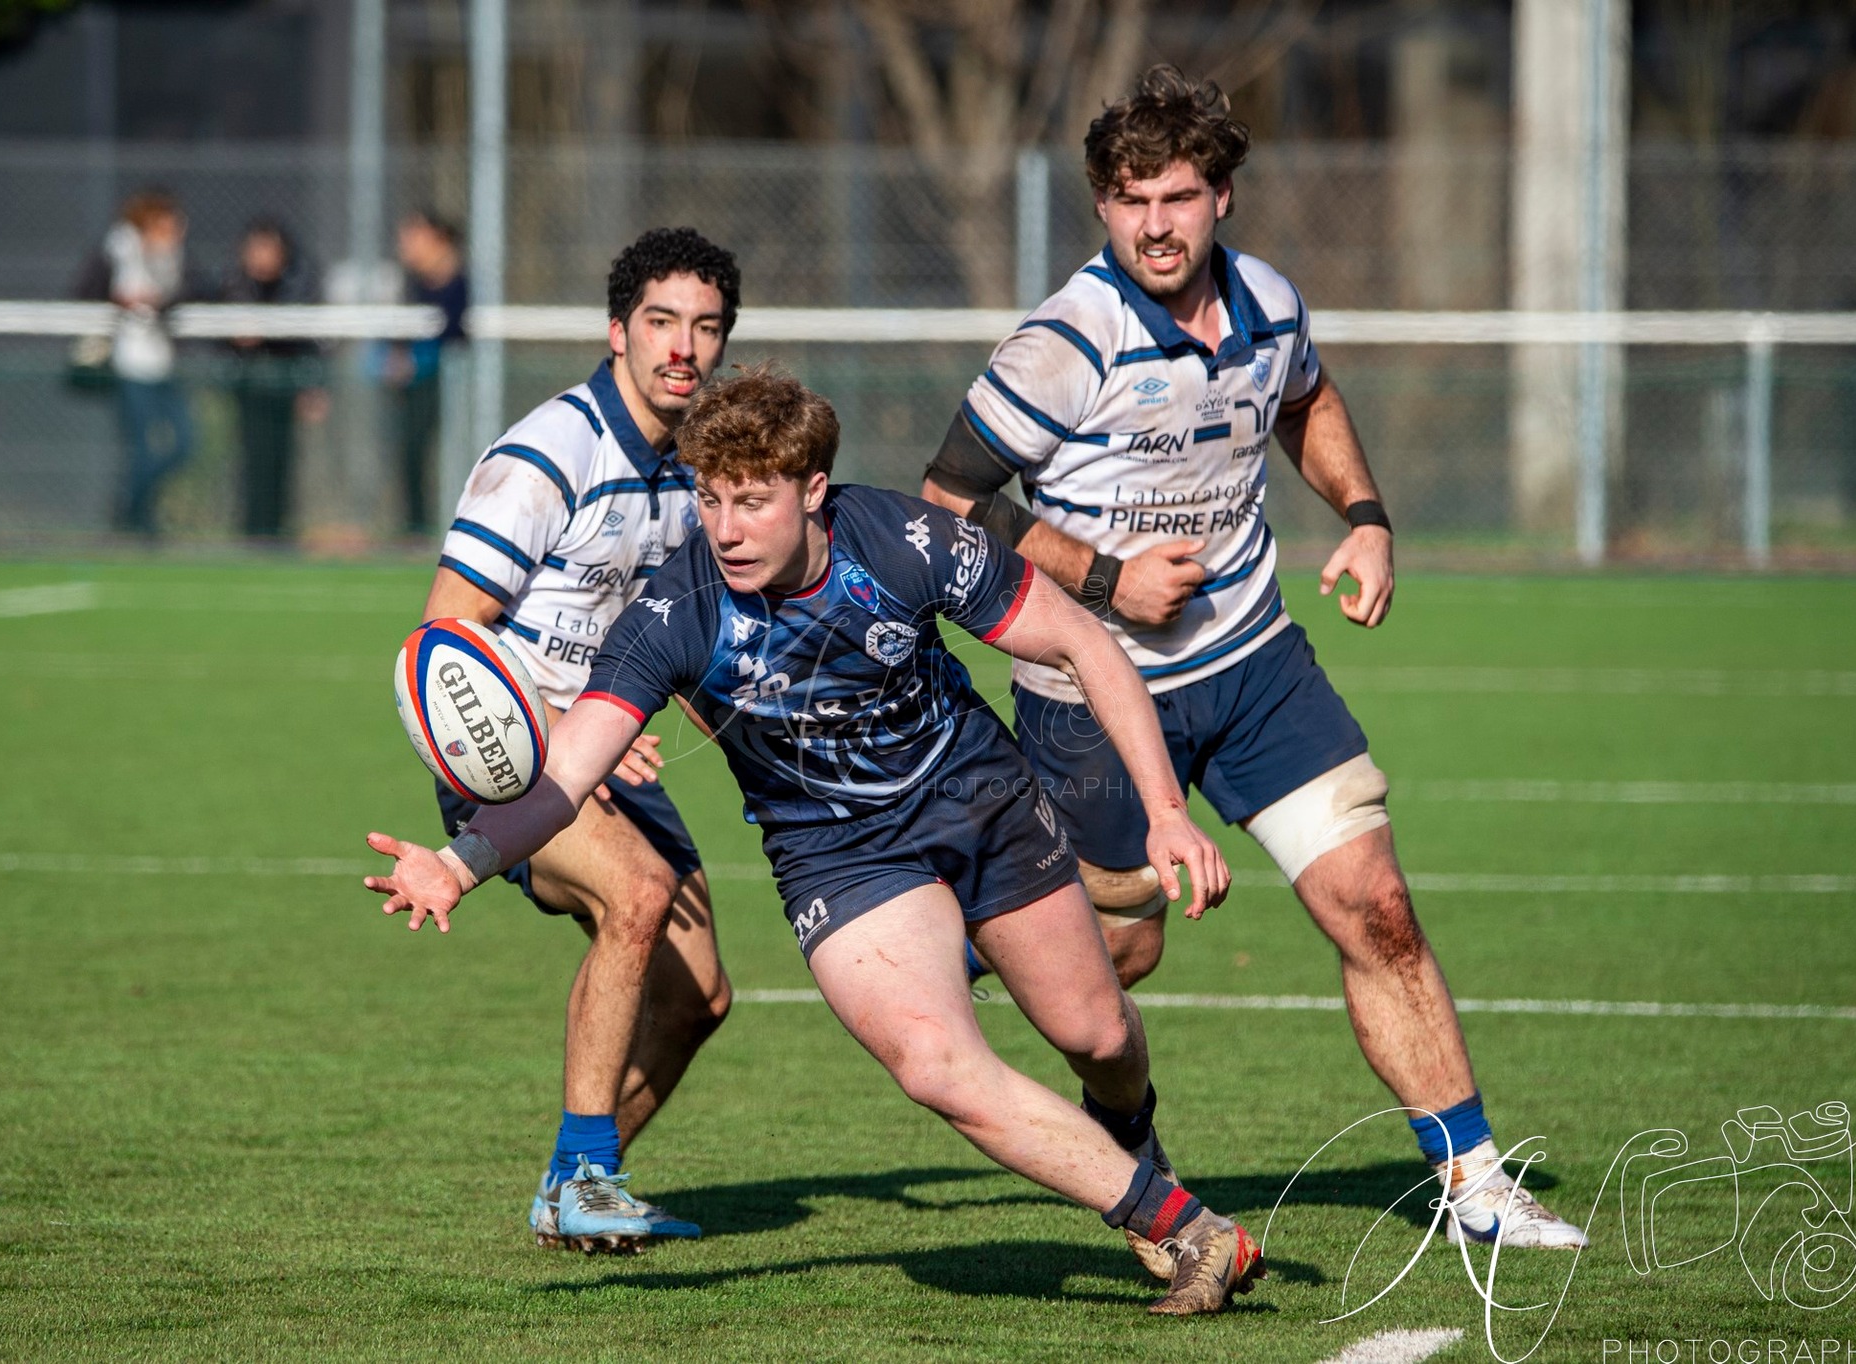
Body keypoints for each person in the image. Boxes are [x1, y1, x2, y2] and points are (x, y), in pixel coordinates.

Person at [364, 366, 1265, 1316]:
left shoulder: (906, 541)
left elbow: (1084, 641)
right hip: (838, 855)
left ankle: (1132, 1138)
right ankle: (1189, 1228)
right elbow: (567, 774)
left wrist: (1165, 811)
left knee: (1099, 1036)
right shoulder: (675, 612)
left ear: (812, 492)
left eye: (752, 502)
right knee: (934, 1063)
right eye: (709, 500)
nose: (725, 529)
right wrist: (460, 863)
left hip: (979, 801)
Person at [918, 66, 1588, 1250]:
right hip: (1091, 691)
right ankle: (982, 943)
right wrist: (1106, 577)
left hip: (1254, 666)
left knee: (1376, 907)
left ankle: (1475, 1183)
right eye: (1129, 200)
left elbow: (1305, 400)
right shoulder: (1063, 343)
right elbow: (947, 500)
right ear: (1100, 204)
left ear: (1220, 195)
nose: (1154, 225)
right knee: (1117, 954)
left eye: (1176, 196)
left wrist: (1364, 516)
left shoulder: (1268, 301)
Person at [400, 228, 743, 1254]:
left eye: (705, 327)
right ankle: (589, 1177)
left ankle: (569, 1184)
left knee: (700, 995)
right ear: (616, 331)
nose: (682, 346)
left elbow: (680, 644)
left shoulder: (693, 468)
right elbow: (442, 637)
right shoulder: (549, 453)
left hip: (604, 752)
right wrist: (564, 727)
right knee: (636, 892)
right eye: (661, 322)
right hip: (504, 752)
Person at [220, 218, 328, 540]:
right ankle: (253, 530)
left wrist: (312, 386)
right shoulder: (234, 285)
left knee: (281, 460)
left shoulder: (296, 285)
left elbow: (310, 343)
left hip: (285, 387)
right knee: (253, 459)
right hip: (249, 386)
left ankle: (277, 531)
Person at [98, 189, 192, 537]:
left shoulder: (173, 257)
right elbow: (111, 290)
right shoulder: (123, 247)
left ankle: (129, 502)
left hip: (164, 365)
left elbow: (180, 292)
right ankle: (139, 519)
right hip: (132, 366)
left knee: (184, 443)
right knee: (143, 447)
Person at [388, 211, 470, 535]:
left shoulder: (462, 285)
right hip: (417, 384)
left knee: (458, 452)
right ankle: (417, 528)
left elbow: (453, 336)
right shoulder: (411, 285)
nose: (406, 245)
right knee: (411, 452)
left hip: (452, 383)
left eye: (415, 236)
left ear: (440, 240)